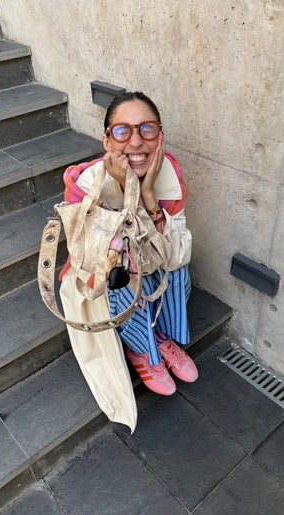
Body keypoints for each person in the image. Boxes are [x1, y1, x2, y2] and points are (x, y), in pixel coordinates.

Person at [60, 91, 198, 401]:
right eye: (123, 131)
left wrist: (148, 194)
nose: (136, 142)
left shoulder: (169, 173)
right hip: (107, 274)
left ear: (160, 136)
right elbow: (95, 256)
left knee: (175, 266)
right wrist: (126, 187)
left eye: (146, 129)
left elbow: (177, 252)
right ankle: (142, 349)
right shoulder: (85, 184)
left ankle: (161, 338)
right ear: (107, 141)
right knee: (125, 275)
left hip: (153, 262)